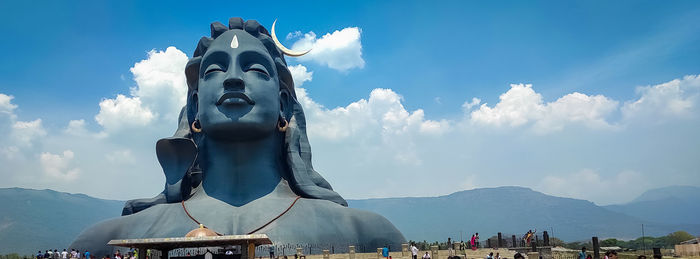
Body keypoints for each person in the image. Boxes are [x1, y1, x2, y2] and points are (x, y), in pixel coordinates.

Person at [70, 17, 405, 255]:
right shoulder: (111, 238)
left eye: (255, 69)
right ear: (195, 105)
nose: (232, 79)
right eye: (214, 69)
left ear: (284, 105)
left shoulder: (367, 234)